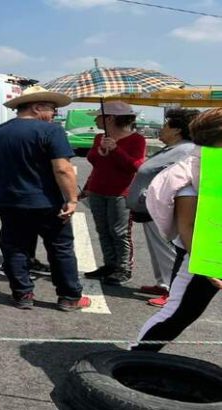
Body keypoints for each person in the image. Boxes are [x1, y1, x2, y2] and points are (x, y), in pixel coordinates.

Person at [0, 85, 91, 312]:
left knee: (15, 247)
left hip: (9, 203)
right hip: (46, 203)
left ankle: (23, 294)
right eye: (52, 109)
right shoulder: (51, 131)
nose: (54, 114)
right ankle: (69, 297)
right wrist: (72, 199)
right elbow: (62, 169)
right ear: (37, 107)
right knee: (60, 247)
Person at [133, 107, 222, 351]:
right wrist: (203, 264)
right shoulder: (192, 173)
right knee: (179, 312)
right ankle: (137, 355)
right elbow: (188, 225)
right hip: (202, 255)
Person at [127, 109, 199, 307]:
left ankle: (171, 289)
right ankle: (163, 283)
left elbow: (178, 180)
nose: (162, 129)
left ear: (176, 130)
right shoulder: (172, 148)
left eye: (166, 125)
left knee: (166, 249)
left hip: (164, 208)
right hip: (150, 207)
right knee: (156, 248)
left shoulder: (184, 150)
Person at [82, 101, 146, 286]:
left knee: (119, 232)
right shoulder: (100, 137)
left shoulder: (136, 140)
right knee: (102, 230)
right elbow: (94, 162)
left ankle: (123, 268)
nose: (95, 119)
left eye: (99, 116)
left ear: (110, 118)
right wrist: (101, 149)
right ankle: (109, 265)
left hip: (121, 192)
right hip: (97, 190)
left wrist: (116, 150)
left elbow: (135, 167)